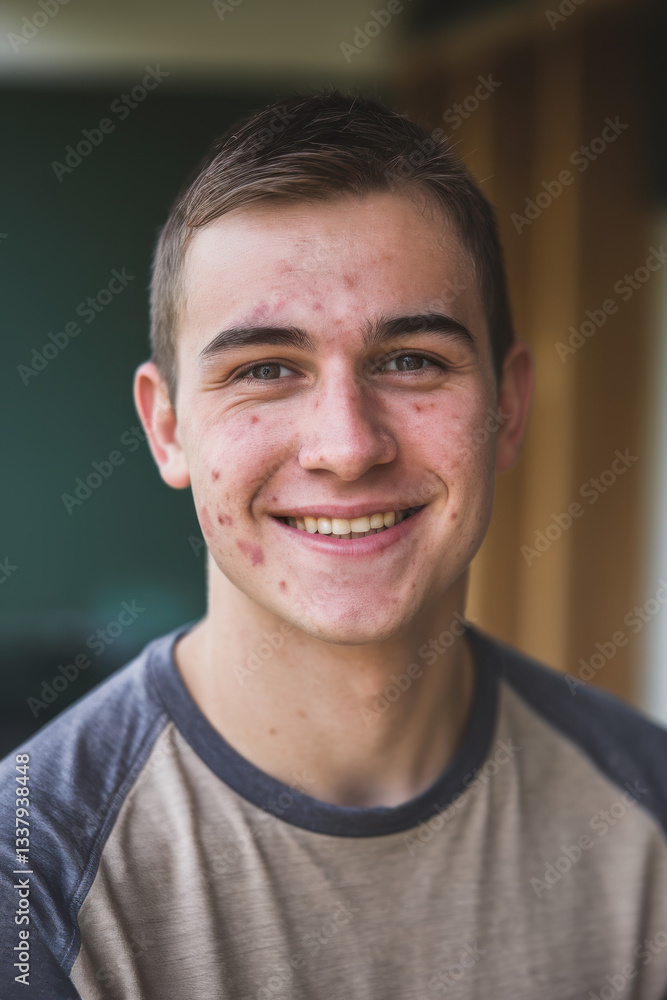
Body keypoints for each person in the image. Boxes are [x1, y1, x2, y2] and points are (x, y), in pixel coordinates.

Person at [2, 90, 667, 1000]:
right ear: (166, 431)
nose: (348, 446)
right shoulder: (31, 868)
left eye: (410, 361)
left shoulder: (648, 806)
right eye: (265, 370)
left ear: (506, 408)